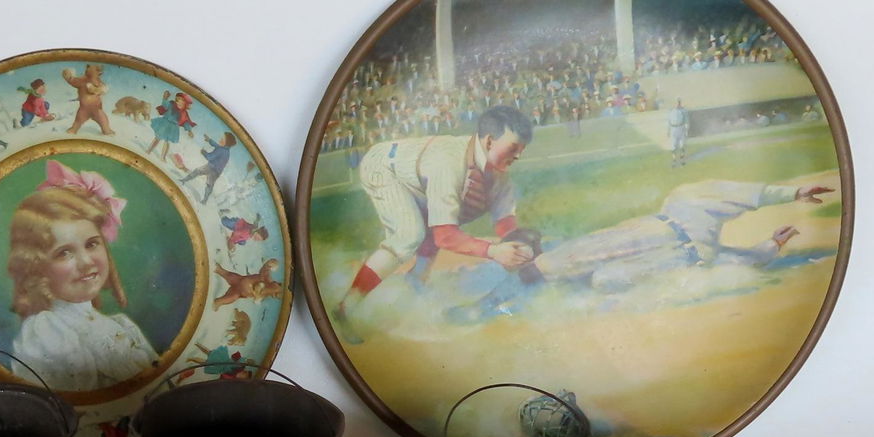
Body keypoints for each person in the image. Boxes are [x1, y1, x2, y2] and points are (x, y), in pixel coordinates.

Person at [449, 179, 835, 320]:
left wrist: (771, 244)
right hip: (651, 234)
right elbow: (744, 210)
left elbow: (733, 260)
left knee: (598, 280)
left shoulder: (700, 228)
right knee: (563, 264)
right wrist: (786, 204)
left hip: (667, 252)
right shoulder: (686, 200)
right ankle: (487, 306)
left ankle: (504, 308)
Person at [332, 105, 534, 338]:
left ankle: (413, 294)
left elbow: (505, 221)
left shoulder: (498, 175)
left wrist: (518, 247)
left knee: (432, 233)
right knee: (409, 236)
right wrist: (494, 251)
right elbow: (445, 235)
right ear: (489, 141)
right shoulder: (449, 163)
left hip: (419, 179)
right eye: (514, 147)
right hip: (385, 167)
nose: (519, 155)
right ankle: (345, 308)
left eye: (522, 149)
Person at [8, 161, 159, 391]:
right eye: (64, 253)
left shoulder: (122, 325)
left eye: (92, 244)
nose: (86, 262)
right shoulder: (46, 331)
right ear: (36, 268)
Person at [179, 130, 237, 201]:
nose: (220, 139)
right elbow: (216, 145)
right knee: (209, 184)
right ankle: (205, 200)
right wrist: (209, 140)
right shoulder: (226, 151)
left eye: (222, 139)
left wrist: (204, 152)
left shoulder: (220, 150)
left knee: (198, 171)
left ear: (226, 143)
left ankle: (184, 180)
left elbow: (210, 157)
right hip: (217, 171)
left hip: (211, 168)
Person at [62, 63, 114, 135]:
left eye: (89, 67)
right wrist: (68, 77)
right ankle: (73, 129)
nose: (87, 69)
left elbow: (103, 89)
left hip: (97, 109)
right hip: (84, 109)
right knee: (78, 121)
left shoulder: (99, 82)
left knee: (103, 120)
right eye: (87, 67)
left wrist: (96, 89)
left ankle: (106, 130)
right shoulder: (82, 80)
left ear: (99, 72)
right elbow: (73, 81)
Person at [147, 90, 196, 156]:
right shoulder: (171, 105)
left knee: (166, 142)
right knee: (157, 138)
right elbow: (165, 105)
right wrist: (165, 98)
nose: (179, 104)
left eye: (181, 103)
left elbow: (185, 122)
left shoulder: (184, 113)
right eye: (177, 101)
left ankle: (163, 157)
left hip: (173, 128)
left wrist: (189, 131)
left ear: (186, 105)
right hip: (165, 123)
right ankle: (149, 150)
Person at [668, 99, 689, 167]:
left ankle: (682, 160)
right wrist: (668, 131)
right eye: (675, 103)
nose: (677, 104)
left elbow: (686, 121)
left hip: (681, 128)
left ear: (680, 104)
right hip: (673, 129)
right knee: (673, 145)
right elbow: (669, 122)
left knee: (682, 145)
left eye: (678, 103)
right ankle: (674, 161)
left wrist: (686, 130)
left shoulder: (683, 111)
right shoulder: (671, 111)